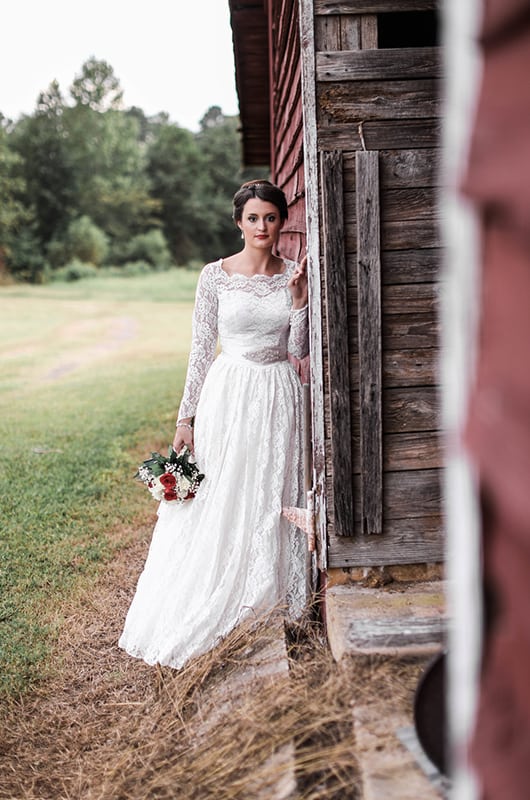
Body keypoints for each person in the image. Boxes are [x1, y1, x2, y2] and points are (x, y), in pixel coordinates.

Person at [118, 180, 309, 669]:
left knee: (271, 488)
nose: (262, 227)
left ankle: (267, 595)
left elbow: (301, 349)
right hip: (229, 393)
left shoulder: (294, 274)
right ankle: (215, 589)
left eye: (270, 217)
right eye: (253, 218)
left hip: (279, 393)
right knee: (225, 490)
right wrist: (187, 417)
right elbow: (201, 350)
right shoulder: (215, 276)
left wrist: (299, 300)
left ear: (282, 220)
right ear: (239, 222)